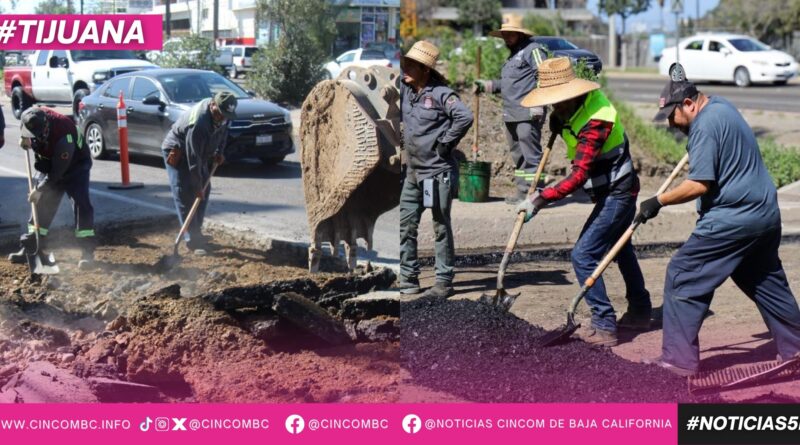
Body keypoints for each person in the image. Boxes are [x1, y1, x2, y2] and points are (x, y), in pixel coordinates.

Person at [638, 77, 800, 376]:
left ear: (688, 104)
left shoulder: (705, 126)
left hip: (733, 220)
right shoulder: (722, 107)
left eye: (672, 116)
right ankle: (796, 349)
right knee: (766, 283)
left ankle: (677, 362)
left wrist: (657, 201)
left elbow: (699, 184)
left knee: (683, 275)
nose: (671, 125)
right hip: (764, 215)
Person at [516, 57, 651, 347]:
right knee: (621, 249)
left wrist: (540, 199)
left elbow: (578, 176)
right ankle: (640, 310)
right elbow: (568, 128)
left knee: (583, 255)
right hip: (608, 189)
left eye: (559, 101)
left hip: (619, 191)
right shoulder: (571, 110)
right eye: (551, 101)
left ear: (574, 94)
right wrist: (558, 120)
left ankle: (604, 324)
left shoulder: (597, 119)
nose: (555, 106)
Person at [398, 40, 474, 298]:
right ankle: (408, 278)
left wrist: (446, 143)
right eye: (405, 64)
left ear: (425, 69)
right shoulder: (406, 91)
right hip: (413, 173)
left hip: (436, 174)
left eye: (411, 65)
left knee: (440, 225)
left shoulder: (442, 95)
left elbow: (465, 117)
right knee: (406, 223)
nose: (405, 69)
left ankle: (444, 281)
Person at [8, 108, 96, 269]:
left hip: (75, 167)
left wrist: (39, 189)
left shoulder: (64, 137)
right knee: (40, 205)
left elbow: (56, 175)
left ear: (46, 128)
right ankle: (32, 248)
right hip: (49, 163)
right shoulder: (29, 116)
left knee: (81, 205)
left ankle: (87, 252)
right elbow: (25, 129)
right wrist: (24, 139)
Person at [474, 14, 547, 204]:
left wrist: (539, 104)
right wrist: (486, 85)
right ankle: (523, 194)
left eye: (510, 34)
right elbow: (508, 84)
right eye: (504, 34)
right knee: (519, 157)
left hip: (527, 113)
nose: (506, 37)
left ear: (520, 34)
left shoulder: (533, 50)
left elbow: (546, 75)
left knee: (531, 157)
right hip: (511, 114)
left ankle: (537, 196)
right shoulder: (513, 55)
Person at [161, 91, 237, 256]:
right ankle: (191, 241)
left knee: (205, 190)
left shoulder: (225, 115)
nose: (222, 119)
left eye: (225, 116)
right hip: (179, 152)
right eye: (219, 115)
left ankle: (197, 233)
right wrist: (197, 186)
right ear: (212, 105)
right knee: (186, 193)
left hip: (201, 152)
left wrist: (219, 152)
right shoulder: (199, 123)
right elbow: (193, 160)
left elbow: (223, 134)